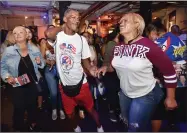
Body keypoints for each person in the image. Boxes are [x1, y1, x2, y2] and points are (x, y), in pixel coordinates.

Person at [98, 13, 177, 132]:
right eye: (121, 21)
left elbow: (169, 69)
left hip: (144, 94)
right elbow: (118, 67)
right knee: (128, 123)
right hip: (125, 94)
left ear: (137, 25)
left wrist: (171, 97)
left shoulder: (149, 45)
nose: (121, 23)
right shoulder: (119, 47)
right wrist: (105, 67)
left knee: (133, 129)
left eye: (126, 20)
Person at [45, 9, 104, 132]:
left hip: (81, 84)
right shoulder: (58, 36)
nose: (77, 20)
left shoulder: (82, 40)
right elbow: (48, 33)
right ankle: (76, 128)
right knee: (70, 114)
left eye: (78, 18)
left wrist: (91, 69)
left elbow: (85, 61)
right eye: (73, 17)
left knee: (90, 109)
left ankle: (99, 126)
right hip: (64, 86)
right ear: (65, 19)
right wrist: (64, 26)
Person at [1, 26, 45, 131]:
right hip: (17, 85)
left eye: (21, 32)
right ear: (13, 36)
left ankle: (31, 124)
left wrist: (40, 62)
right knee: (19, 108)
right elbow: (2, 67)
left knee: (32, 107)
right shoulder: (8, 51)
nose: (18, 34)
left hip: (32, 85)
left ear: (26, 35)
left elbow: (42, 65)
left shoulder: (34, 49)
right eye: (15, 33)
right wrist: (7, 77)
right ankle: (19, 127)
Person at [39, 36, 65, 120]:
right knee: (53, 92)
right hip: (49, 69)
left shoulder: (60, 42)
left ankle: (61, 109)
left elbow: (64, 56)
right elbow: (41, 58)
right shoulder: (44, 44)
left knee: (61, 91)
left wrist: (57, 61)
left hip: (60, 69)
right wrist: (49, 61)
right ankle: (54, 109)